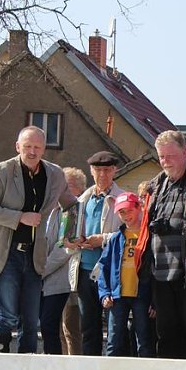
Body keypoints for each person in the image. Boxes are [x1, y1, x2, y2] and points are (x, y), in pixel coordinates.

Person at [0, 126, 77, 353]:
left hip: (34, 254)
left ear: (44, 149)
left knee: (31, 319)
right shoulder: (3, 170)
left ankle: (28, 367)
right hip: (5, 252)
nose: (32, 152)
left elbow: (70, 204)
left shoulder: (54, 174)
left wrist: (70, 234)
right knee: (6, 314)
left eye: (37, 147)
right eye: (27, 146)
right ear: (17, 147)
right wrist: (20, 217)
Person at [135, 130, 186, 359]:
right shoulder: (156, 187)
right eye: (161, 157)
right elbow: (145, 229)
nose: (165, 161)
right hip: (160, 273)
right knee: (166, 336)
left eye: (170, 155)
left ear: (185, 152)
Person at [68, 151, 124, 356]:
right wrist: (74, 241)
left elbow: (129, 234)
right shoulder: (82, 199)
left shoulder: (121, 199)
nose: (103, 174)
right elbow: (67, 236)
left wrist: (103, 239)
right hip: (84, 270)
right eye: (98, 170)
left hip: (110, 274)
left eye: (107, 170)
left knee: (114, 329)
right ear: (91, 171)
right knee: (88, 328)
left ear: (115, 170)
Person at [98, 192, 155, 357]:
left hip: (142, 296)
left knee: (144, 339)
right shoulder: (116, 238)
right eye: (122, 212)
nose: (126, 216)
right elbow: (104, 267)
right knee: (114, 340)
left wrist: (155, 301)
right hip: (118, 296)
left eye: (129, 210)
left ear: (139, 208)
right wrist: (104, 293)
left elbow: (155, 269)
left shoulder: (148, 237)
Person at [40, 167, 87, 355]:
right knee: (53, 329)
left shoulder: (75, 210)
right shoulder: (51, 210)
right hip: (48, 281)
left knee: (71, 329)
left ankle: (73, 368)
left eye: (68, 186)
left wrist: (40, 269)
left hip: (67, 281)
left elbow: (66, 247)